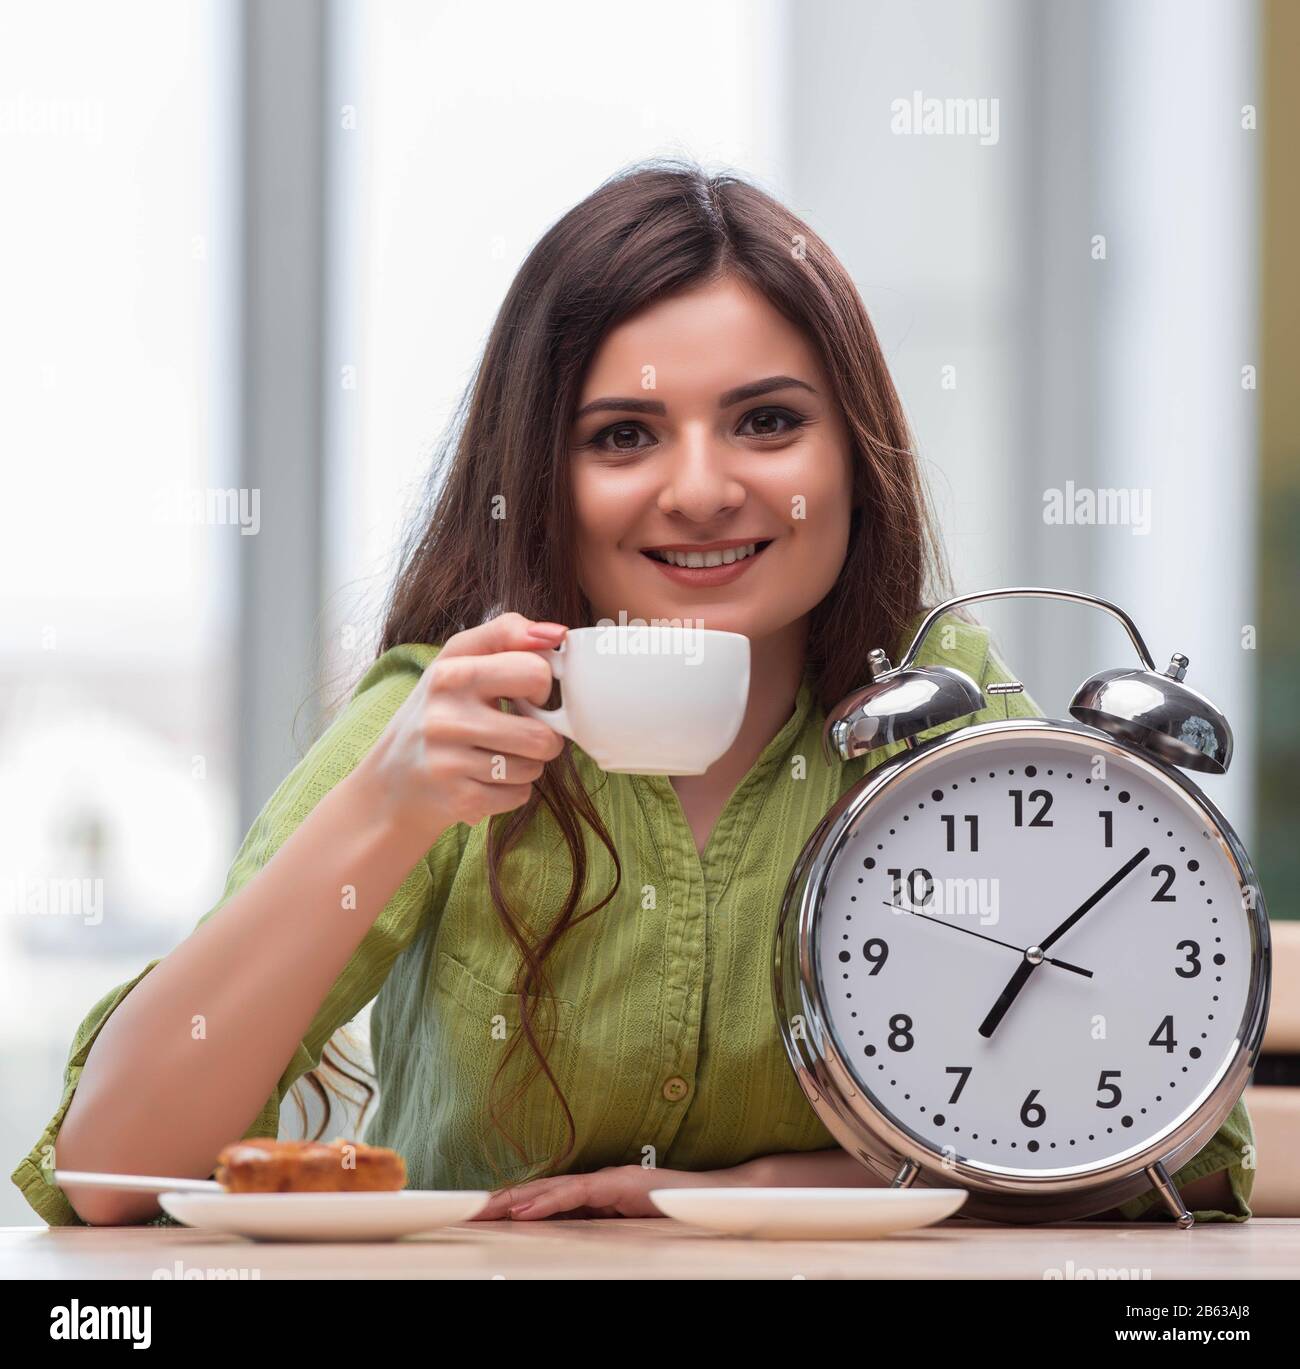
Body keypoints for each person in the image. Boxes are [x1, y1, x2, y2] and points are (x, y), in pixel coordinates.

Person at [12, 161, 1252, 1227]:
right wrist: (386, 807)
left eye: (765, 422)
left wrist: (787, 1182)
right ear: (539, 474)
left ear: (855, 459)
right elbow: (112, 1172)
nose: (703, 489)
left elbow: (1141, 1148)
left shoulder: (959, 727)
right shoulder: (439, 716)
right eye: (623, 435)